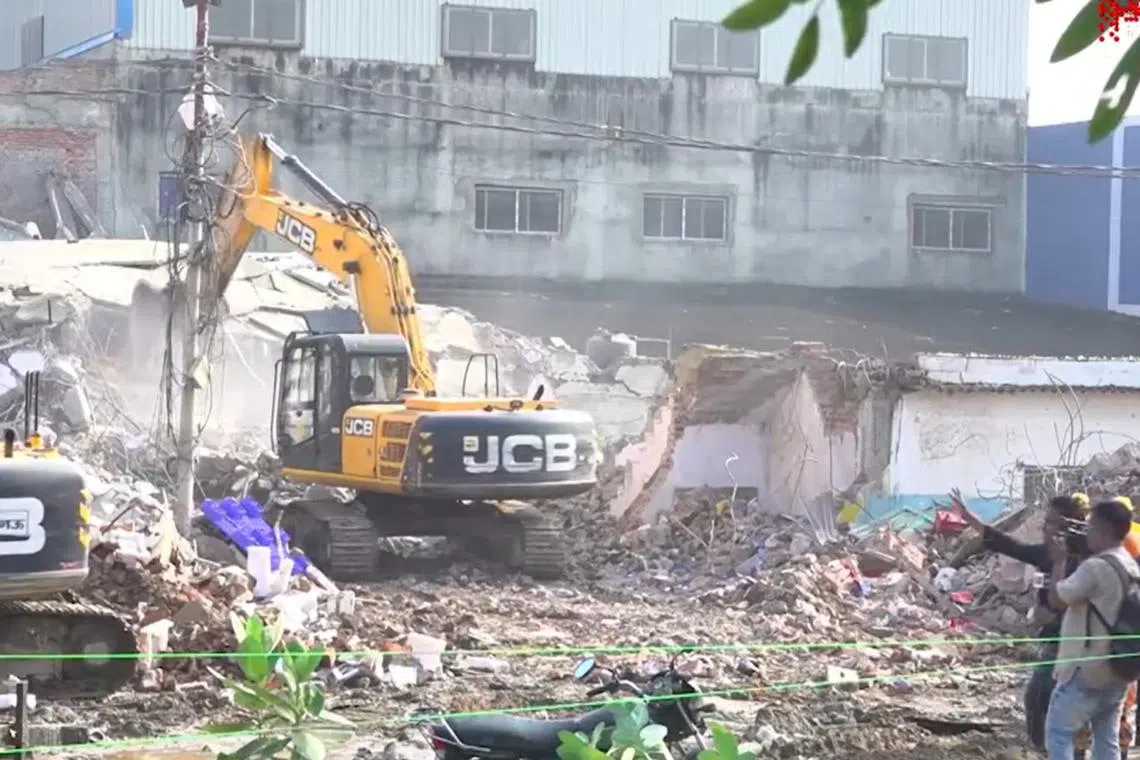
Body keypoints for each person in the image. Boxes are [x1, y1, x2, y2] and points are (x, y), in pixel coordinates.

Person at [952, 491, 1096, 754]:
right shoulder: (1045, 554)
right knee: (1039, 696)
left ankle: (1062, 749)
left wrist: (1056, 612)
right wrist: (971, 519)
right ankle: (1046, 749)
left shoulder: (1085, 559)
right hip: (1054, 637)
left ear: (1065, 527)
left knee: (1047, 693)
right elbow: (1008, 545)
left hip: (1078, 640)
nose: (1043, 527)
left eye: (1050, 521)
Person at [1045, 499, 1140, 760]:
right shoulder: (1131, 565)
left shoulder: (1095, 568)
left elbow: (1057, 599)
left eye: (1090, 528)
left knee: (1058, 732)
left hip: (1086, 668)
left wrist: (1058, 561)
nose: (1086, 534)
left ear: (1105, 530)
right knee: (1106, 738)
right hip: (1119, 667)